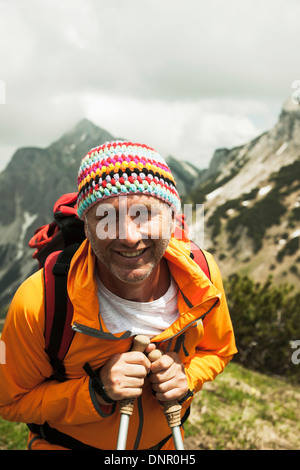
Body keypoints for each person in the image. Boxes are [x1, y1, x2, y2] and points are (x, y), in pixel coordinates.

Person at [0, 140, 237, 450]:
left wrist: (187, 378)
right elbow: (10, 402)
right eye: (106, 217)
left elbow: (219, 350)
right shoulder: (40, 302)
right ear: (85, 224)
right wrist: (96, 391)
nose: (128, 236)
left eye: (144, 214)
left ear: (173, 217)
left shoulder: (201, 274)